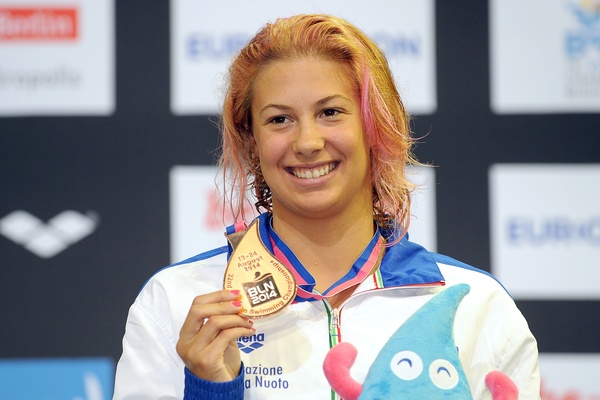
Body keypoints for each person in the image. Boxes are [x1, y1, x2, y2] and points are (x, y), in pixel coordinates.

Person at [113, 13, 540, 400]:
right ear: (252, 141)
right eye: (279, 119)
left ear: (375, 126)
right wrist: (210, 391)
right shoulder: (176, 301)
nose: (307, 143)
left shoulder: (475, 304)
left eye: (331, 112)